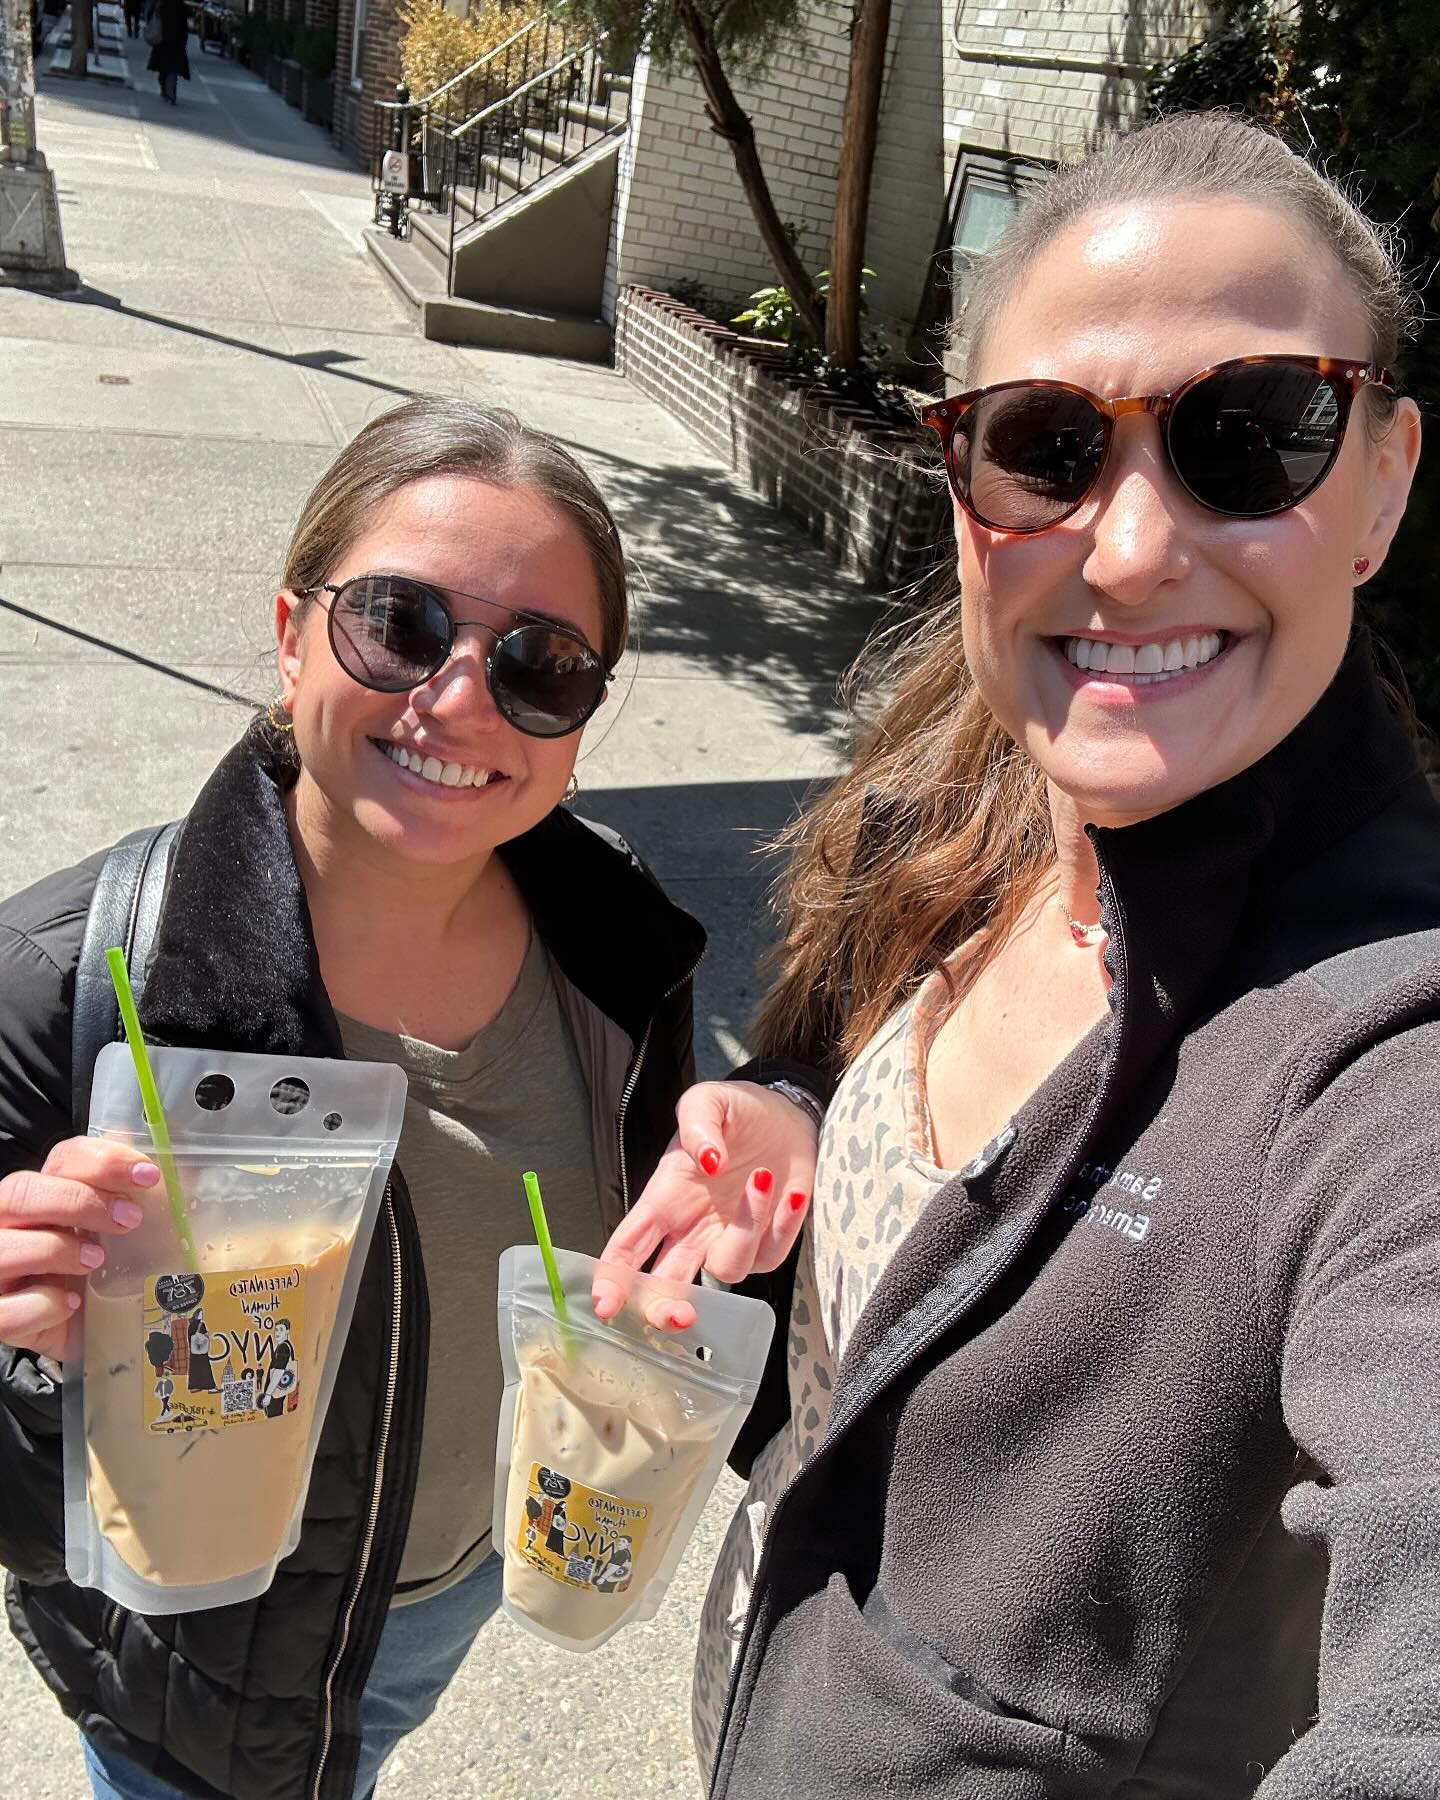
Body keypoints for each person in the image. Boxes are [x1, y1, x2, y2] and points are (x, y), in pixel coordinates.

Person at [599, 112, 1440, 1796]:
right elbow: (853, 1052)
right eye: (1047, 446)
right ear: (961, 479)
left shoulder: (1385, 1050)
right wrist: (793, 1114)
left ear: (1382, 484)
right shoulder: (973, 790)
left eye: (1253, 433)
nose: (1126, 548)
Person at [0, 396, 704, 1799]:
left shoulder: (615, 944)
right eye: (400, 623)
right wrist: (21, 1340)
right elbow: (23, 1467)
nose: (455, 700)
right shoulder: (69, 984)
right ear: (289, 633)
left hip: (452, 1584)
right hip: (205, 1649)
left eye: (541, 666)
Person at [144, 0, 189, 105]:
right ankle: (170, 93)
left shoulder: (161, 4)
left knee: (164, 68)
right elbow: (184, 25)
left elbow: (150, 15)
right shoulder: (180, 5)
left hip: (163, 40)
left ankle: (166, 91)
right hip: (175, 42)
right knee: (172, 69)